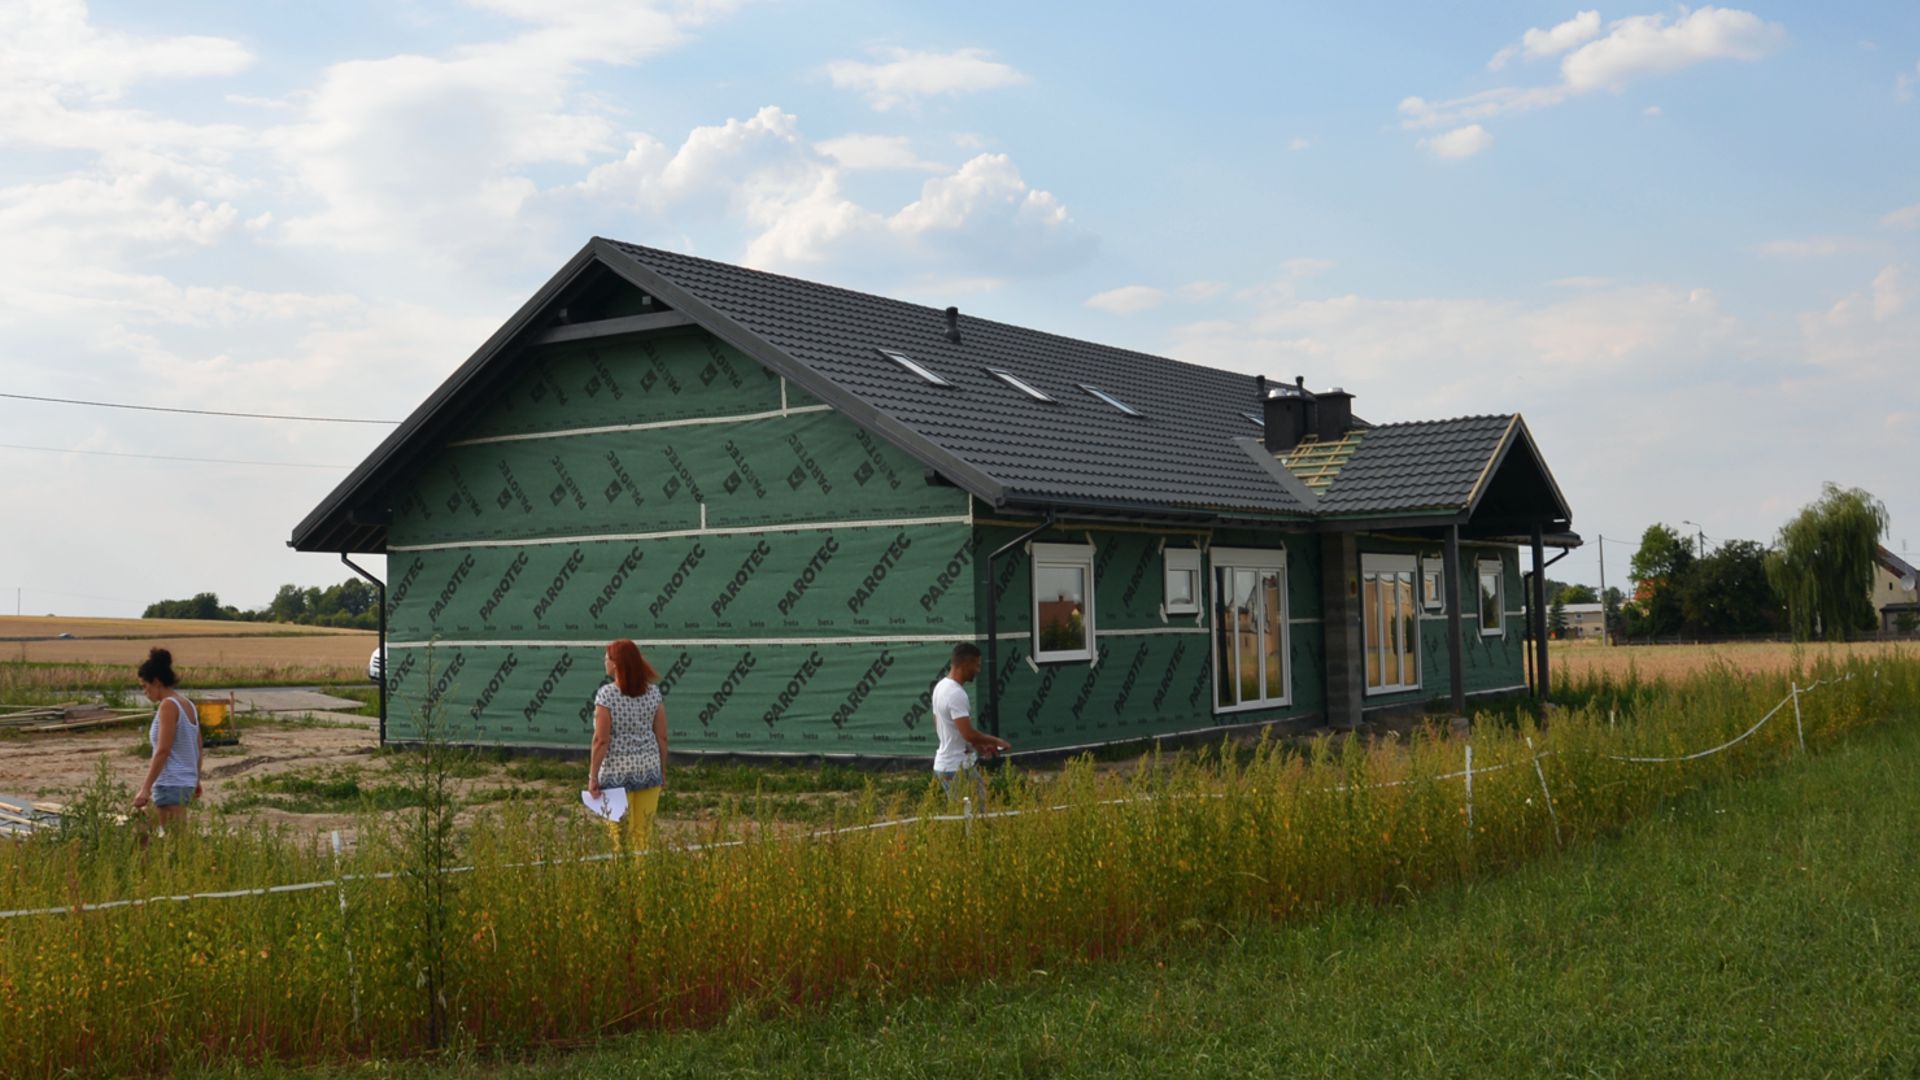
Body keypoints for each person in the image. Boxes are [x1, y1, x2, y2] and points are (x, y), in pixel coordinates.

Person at [587, 639, 668, 849]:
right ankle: (643, 871)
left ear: (616, 664)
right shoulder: (653, 693)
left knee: (620, 837)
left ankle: (622, 871)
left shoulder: (606, 695)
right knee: (643, 835)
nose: (604, 661)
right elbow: (662, 737)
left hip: (616, 776)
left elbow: (601, 740)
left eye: (607, 658)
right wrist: (661, 771)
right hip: (649, 770)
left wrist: (593, 777)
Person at [931, 642, 1010, 800]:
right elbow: (968, 734)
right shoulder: (956, 694)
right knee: (974, 810)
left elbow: (941, 724)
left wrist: (978, 746)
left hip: (948, 764)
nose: (978, 670)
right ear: (966, 665)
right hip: (956, 767)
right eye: (977, 665)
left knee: (972, 809)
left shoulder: (940, 687)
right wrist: (996, 741)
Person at [133, 647, 200, 828]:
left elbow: (163, 750)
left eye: (145, 686)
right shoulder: (188, 704)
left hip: (170, 782)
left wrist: (145, 788)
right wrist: (196, 779)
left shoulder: (168, 705)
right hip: (185, 782)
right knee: (150, 832)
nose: (145, 692)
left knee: (167, 837)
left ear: (156, 682)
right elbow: (197, 747)